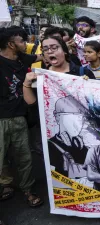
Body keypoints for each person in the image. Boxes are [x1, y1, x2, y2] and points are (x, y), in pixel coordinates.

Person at [0, 26, 44, 207]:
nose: (25, 44)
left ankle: (28, 189)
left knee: (24, 157)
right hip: (1, 120)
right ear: (11, 44)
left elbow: (41, 57)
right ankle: (6, 185)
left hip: (20, 118)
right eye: (21, 41)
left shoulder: (22, 59)